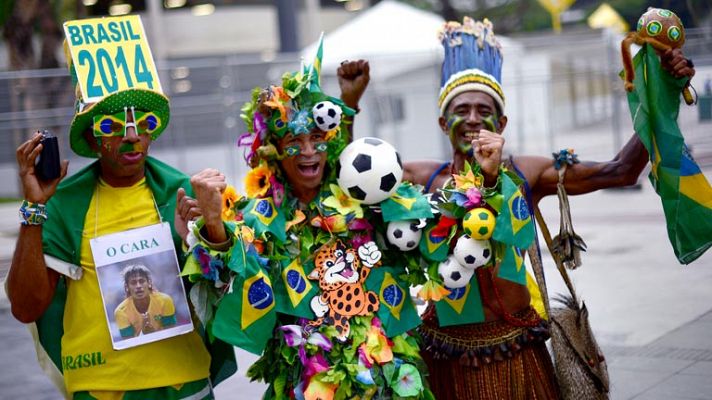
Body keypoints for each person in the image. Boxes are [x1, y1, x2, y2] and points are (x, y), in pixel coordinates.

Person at [399, 18, 694, 400]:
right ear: (443, 122)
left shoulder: (525, 172)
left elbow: (620, 172)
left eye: (483, 110)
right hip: (446, 354)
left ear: (501, 122)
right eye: (462, 109)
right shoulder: (422, 179)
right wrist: (351, 105)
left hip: (517, 352)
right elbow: (344, 189)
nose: (472, 119)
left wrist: (664, 93)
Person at [183, 46, 433, 399]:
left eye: (317, 139)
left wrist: (349, 103)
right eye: (293, 142)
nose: (308, 151)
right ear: (271, 151)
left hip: (383, 374)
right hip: (306, 382)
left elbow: (356, 166)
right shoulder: (260, 216)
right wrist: (212, 222)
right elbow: (228, 269)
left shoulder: (358, 198)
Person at [6, 21, 235, 399]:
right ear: (94, 138)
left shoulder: (182, 192)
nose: (131, 136)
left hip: (183, 384)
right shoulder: (66, 204)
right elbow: (26, 307)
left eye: (143, 123)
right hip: (101, 389)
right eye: (113, 125)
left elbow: (224, 289)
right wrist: (34, 208)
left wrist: (212, 228)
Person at [114, 263, 176, 338]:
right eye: (133, 283)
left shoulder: (165, 300)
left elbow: (172, 333)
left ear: (149, 283)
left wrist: (153, 334)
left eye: (142, 281)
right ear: (127, 287)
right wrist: (144, 335)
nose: (138, 286)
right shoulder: (121, 312)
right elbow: (129, 343)